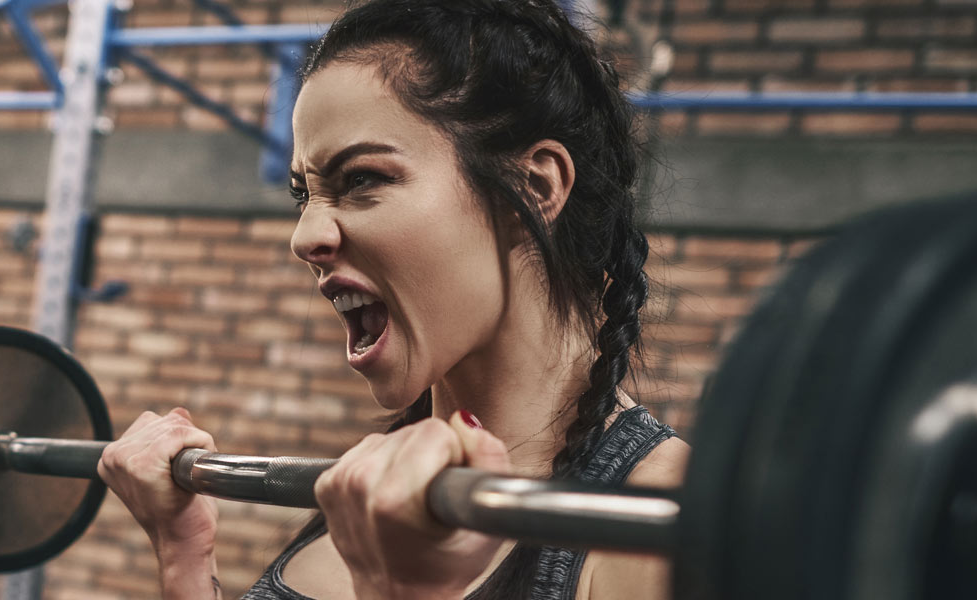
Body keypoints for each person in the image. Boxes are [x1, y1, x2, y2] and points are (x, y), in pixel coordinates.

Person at [97, 1, 691, 598]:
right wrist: (184, 557)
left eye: (361, 179)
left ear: (531, 189)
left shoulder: (663, 518)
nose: (304, 236)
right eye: (304, 194)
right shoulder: (365, 490)